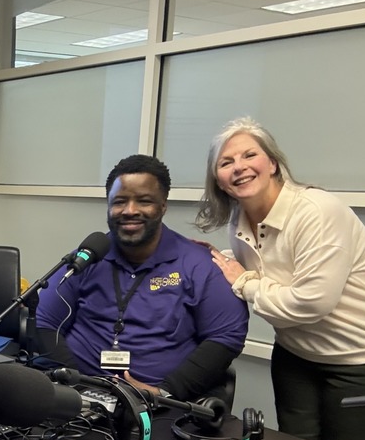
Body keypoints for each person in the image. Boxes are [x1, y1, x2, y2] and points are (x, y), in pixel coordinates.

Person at [197, 117, 365, 440]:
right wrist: (213, 260)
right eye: (226, 163)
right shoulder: (240, 219)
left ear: (272, 163)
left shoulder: (318, 212)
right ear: (220, 181)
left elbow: (310, 303)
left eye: (249, 155)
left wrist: (243, 281)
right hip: (298, 355)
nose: (239, 167)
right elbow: (269, 263)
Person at [36, 154, 249, 403]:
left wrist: (164, 393)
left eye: (144, 201)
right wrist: (76, 385)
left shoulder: (199, 264)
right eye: (119, 201)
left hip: (160, 406)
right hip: (77, 401)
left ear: (163, 205)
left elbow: (226, 335)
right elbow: (46, 322)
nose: (130, 211)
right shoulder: (88, 258)